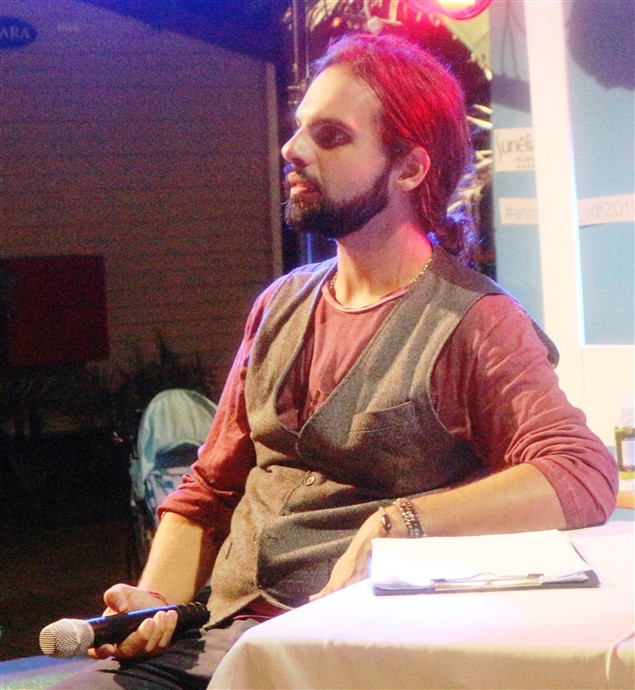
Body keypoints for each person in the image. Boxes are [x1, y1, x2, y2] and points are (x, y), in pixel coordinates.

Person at [56, 32, 617, 690]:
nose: (292, 149)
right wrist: (152, 604)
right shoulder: (281, 303)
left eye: (330, 135)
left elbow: (581, 473)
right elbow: (207, 493)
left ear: (409, 169)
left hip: (346, 649)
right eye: (299, 129)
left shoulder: (472, 320)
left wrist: (405, 522)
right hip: (223, 634)